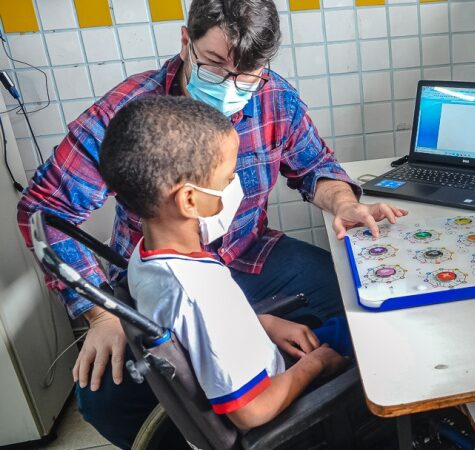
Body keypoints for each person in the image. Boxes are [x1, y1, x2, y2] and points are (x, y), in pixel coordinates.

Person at [16, 0, 406, 447]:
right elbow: (45, 208)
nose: (232, 86)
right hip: (165, 269)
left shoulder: (274, 96)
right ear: (186, 42)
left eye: (247, 73)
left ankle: (335, 425)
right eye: (216, 65)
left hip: (248, 254)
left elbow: (315, 165)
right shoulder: (131, 114)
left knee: (365, 304)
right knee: (105, 397)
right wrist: (102, 313)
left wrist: (342, 203)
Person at [104, 95, 351, 430]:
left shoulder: (147, 255)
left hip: (262, 355)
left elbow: (199, 335)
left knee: (363, 327)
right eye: (228, 177)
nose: (235, 186)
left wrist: (260, 323)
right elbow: (252, 411)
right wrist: (317, 364)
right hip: (282, 402)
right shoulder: (199, 295)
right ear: (189, 199)